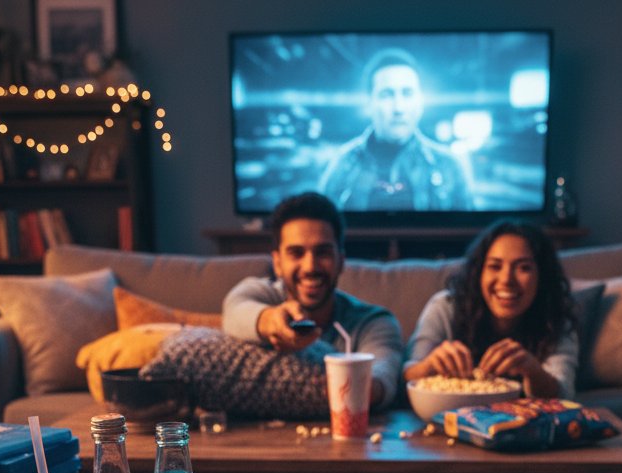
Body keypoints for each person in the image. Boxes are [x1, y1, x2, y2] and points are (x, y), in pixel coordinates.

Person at [222, 191, 403, 410]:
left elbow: (384, 374)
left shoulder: (374, 322)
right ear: (277, 263)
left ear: (341, 261)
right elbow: (234, 308)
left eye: (323, 252)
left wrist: (363, 387)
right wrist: (271, 322)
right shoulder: (261, 294)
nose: (310, 267)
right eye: (296, 253)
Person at [404, 220, 578, 399]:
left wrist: (533, 371)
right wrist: (429, 365)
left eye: (523, 268)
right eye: (495, 266)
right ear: (478, 273)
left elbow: (564, 394)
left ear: (542, 276)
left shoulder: (555, 318)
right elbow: (406, 375)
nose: (506, 280)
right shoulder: (445, 307)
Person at [318, 48, 473, 212]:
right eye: (387, 95)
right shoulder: (342, 165)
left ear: (419, 102)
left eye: (407, 93)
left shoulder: (449, 166)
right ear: (369, 103)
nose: (398, 107)